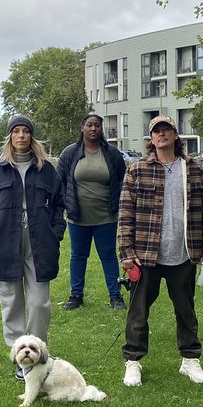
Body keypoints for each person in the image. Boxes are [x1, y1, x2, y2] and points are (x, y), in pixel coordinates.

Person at [118, 115, 203, 387]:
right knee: (138, 312)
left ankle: (190, 359)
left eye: (166, 130)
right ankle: (133, 361)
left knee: (186, 310)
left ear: (175, 135)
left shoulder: (193, 169)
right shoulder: (137, 169)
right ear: (151, 139)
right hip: (146, 255)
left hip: (183, 253)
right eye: (156, 131)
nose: (161, 135)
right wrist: (126, 251)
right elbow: (125, 213)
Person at [0, 115, 64, 380]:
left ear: (32, 137)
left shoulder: (46, 170)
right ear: (10, 137)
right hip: (5, 242)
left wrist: (55, 233)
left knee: (39, 303)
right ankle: (20, 357)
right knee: (11, 302)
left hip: (40, 242)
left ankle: (37, 351)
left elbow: (59, 204)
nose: (21, 136)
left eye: (26, 131)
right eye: (16, 131)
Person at [57, 113, 127, 310]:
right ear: (82, 128)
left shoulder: (112, 154)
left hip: (106, 216)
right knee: (78, 255)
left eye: (97, 125)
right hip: (77, 216)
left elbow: (124, 181)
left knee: (108, 255)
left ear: (101, 129)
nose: (93, 129)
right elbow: (58, 181)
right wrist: (66, 203)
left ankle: (115, 296)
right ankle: (76, 296)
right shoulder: (70, 153)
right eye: (89, 125)